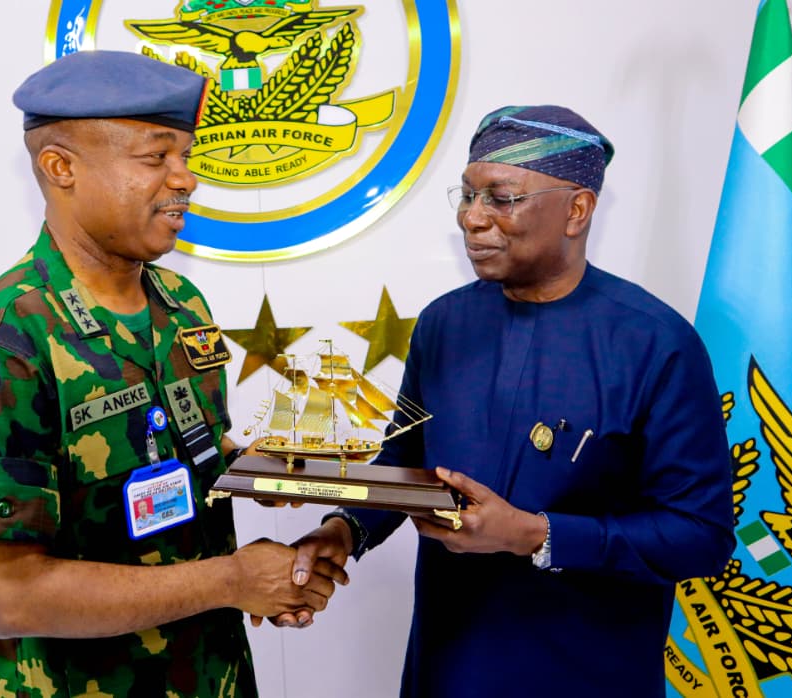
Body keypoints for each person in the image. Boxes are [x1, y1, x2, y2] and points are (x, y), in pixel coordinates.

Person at [0, 50, 345, 697]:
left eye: (186, 157)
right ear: (60, 167)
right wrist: (232, 579)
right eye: (156, 158)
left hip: (211, 675)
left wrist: (260, 470)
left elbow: (186, 454)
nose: (186, 180)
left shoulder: (181, 305)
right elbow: (14, 596)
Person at [285, 105, 736, 696]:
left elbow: (701, 534)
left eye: (502, 198)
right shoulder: (444, 323)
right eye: (467, 195)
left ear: (578, 210)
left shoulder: (656, 342)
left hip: (589, 673)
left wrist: (535, 534)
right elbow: (405, 466)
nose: (473, 219)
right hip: (448, 666)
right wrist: (343, 531)